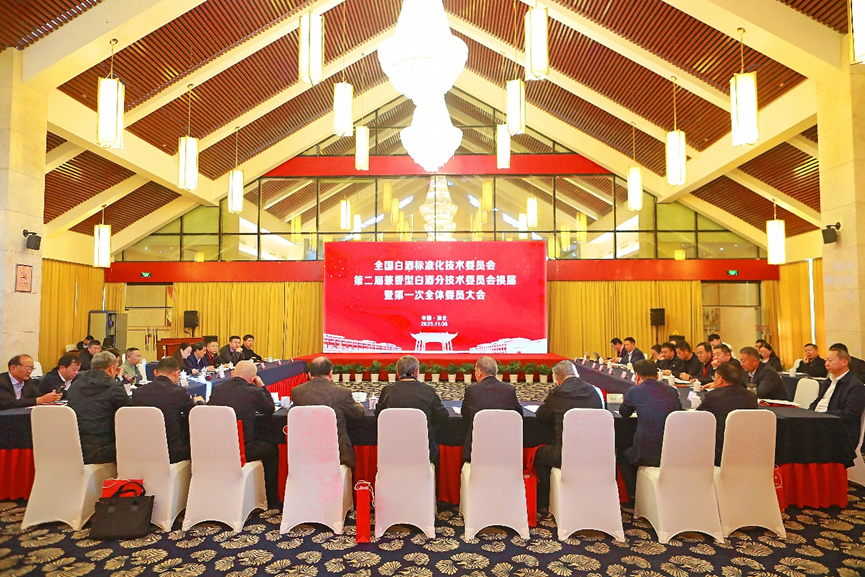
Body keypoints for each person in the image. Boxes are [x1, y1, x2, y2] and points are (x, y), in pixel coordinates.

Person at [208, 360, 280, 508]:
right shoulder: (254, 391)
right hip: (243, 449)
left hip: (217, 447)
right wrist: (262, 386)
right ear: (253, 378)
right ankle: (271, 499)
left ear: (233, 374)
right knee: (272, 449)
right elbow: (270, 409)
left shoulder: (218, 389)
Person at [534, 360, 603, 510]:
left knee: (539, 454)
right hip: (596, 455)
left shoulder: (557, 394)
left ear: (557, 379)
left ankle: (544, 501)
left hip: (565, 456)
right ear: (576, 374)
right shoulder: (595, 391)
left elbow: (541, 416)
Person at [617, 360, 682, 512]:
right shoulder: (671, 391)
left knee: (623, 456)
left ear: (637, 376)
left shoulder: (634, 391)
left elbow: (623, 412)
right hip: (673, 451)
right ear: (657, 375)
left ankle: (634, 499)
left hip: (647, 452)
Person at [291, 357, 365, 468]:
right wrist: (360, 405)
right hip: (338, 455)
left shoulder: (297, 392)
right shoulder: (342, 393)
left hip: (306, 453)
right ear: (331, 373)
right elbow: (359, 415)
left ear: (309, 374)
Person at [374, 355, 449, 463]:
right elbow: (443, 415)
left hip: (392, 450)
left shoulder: (388, 391)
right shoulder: (427, 390)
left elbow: (379, 415)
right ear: (417, 372)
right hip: (423, 450)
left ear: (397, 373)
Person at [131, 357, 202, 463]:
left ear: (155, 372)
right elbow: (194, 416)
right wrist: (199, 402)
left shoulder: (138, 393)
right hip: (172, 452)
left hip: (143, 449)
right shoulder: (178, 392)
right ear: (176, 374)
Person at [67, 351, 130, 463]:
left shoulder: (75, 385)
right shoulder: (114, 387)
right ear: (111, 369)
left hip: (75, 446)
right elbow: (128, 416)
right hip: (103, 448)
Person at [461, 356, 523, 462]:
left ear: (479, 372)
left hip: (476, 453)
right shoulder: (509, 390)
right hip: (506, 451)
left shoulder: (472, 391)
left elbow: (465, 414)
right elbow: (518, 415)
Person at [696, 362, 757, 465]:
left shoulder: (712, 397)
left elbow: (697, 419)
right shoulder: (751, 397)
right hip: (748, 451)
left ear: (720, 380)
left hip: (719, 452)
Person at [809, 346, 865, 455]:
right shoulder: (828, 381)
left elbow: (849, 414)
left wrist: (823, 415)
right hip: (819, 421)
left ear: (844, 362)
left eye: (830, 360)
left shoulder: (856, 386)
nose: (826, 364)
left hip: (838, 430)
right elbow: (817, 402)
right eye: (826, 360)